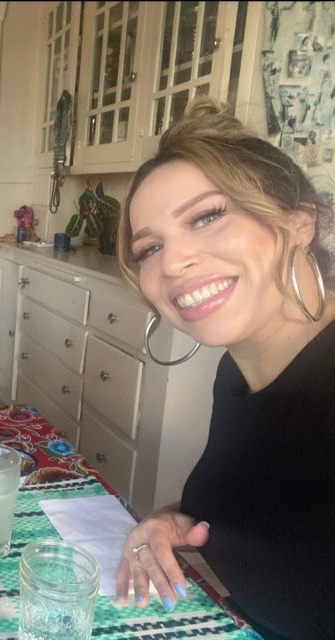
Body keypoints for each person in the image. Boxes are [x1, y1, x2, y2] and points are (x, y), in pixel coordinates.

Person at [113, 97, 335, 639]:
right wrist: (171, 521)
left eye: (207, 216)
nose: (171, 263)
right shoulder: (240, 370)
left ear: (298, 222)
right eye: (149, 248)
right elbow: (261, 515)